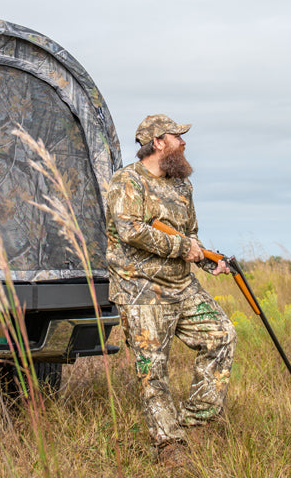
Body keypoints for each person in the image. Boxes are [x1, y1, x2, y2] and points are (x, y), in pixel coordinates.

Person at [104, 114, 237, 468]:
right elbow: (131, 230)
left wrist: (209, 261)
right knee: (153, 369)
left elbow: (190, 236)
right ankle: (169, 447)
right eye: (178, 136)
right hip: (141, 290)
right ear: (159, 141)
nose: (184, 141)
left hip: (182, 286)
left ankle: (198, 423)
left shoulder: (181, 186)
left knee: (221, 335)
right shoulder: (126, 181)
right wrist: (182, 249)